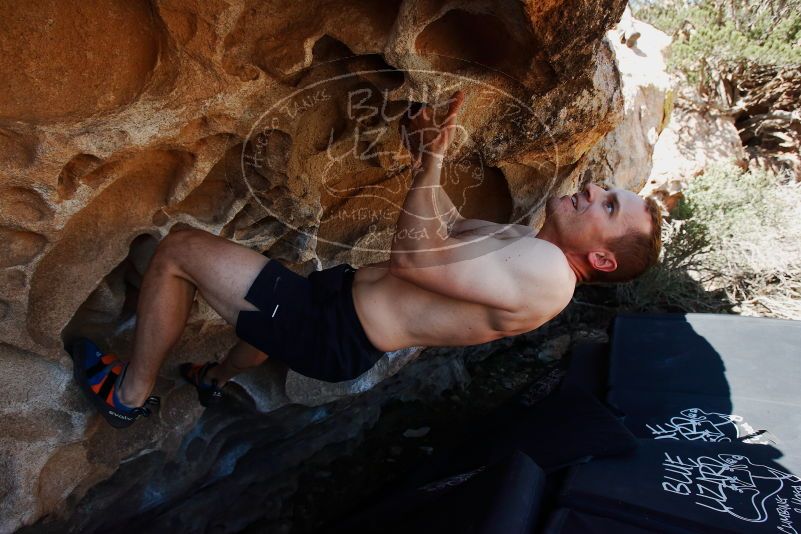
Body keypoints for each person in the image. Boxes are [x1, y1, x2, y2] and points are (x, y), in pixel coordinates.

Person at [70, 91, 662, 428]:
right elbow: (447, 226)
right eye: (605, 189)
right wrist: (421, 148)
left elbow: (414, 259)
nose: (593, 191)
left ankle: (129, 396)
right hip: (339, 309)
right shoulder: (534, 250)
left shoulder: (549, 275)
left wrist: (429, 164)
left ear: (602, 261)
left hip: (332, 329)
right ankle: (215, 378)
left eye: (608, 206)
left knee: (178, 251)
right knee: (265, 328)